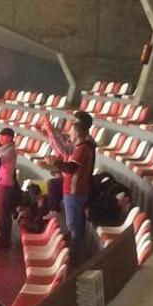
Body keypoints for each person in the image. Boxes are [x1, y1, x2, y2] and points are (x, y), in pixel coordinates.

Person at [40, 111, 97, 265]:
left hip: (75, 191)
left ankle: (75, 257)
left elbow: (71, 167)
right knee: (73, 223)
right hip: (72, 190)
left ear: (78, 130)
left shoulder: (83, 148)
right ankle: (74, 252)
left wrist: (55, 163)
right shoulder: (81, 146)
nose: (69, 131)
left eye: (72, 127)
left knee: (75, 226)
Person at [0, 128, 18, 249]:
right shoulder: (5, 150)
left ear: (10, 137)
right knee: (1, 213)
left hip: (5, 184)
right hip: (2, 183)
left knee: (3, 213)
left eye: (3, 136)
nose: (0, 138)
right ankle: (3, 238)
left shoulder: (10, 151)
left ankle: (4, 240)